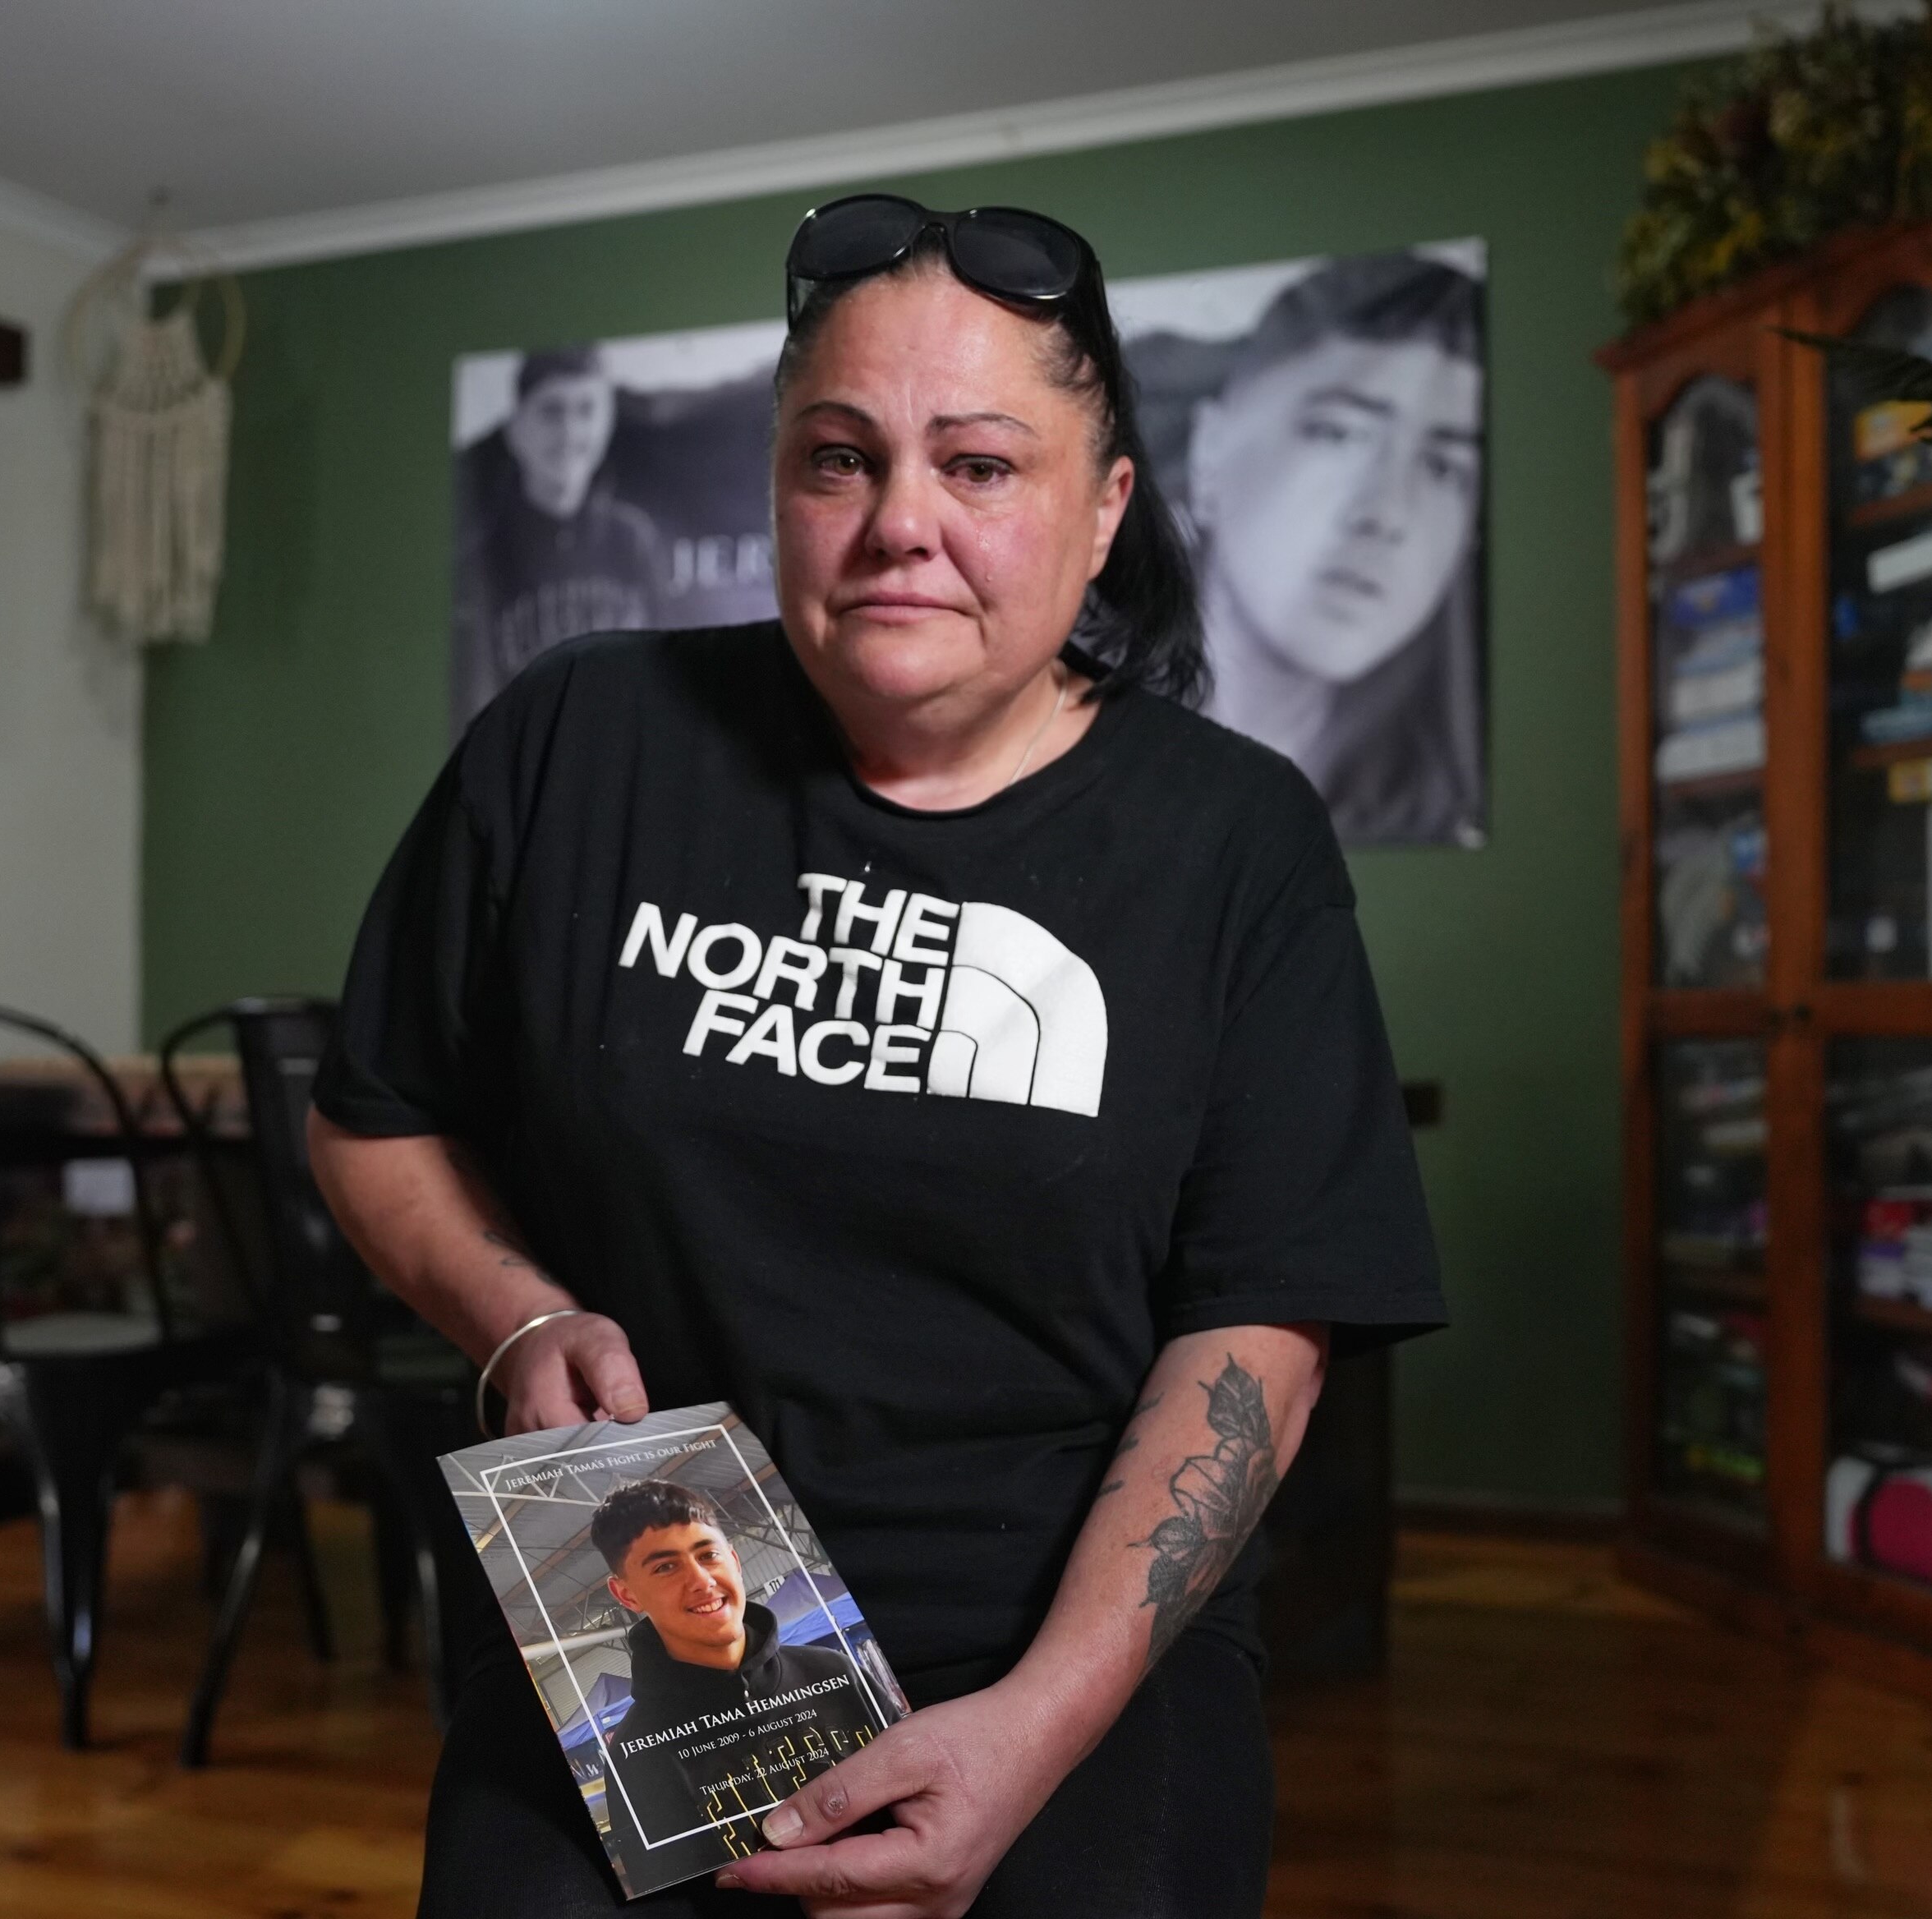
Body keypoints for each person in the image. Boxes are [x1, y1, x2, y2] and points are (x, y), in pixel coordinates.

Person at [313, 192, 1445, 1919]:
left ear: (1105, 505)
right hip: (642, 1602)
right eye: (837, 458)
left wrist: (1033, 1732)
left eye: (980, 465)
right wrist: (515, 1314)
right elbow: (375, 1119)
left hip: (1067, 1630)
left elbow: (1259, 1338)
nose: (898, 523)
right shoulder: (580, 739)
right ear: (775, 482)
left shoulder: (1234, 839)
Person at [1184, 252, 1484, 845]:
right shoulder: (1049, 760)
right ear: (1209, 454)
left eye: (1445, 469)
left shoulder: (1446, 822)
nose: (1386, 514)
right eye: (1339, 434)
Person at [585, 1481, 871, 1883]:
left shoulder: (834, 1672)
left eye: (708, 1555)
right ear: (626, 1595)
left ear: (734, 1561)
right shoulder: (637, 1753)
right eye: (666, 1567)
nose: (702, 1581)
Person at [450, 346, 668, 729]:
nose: (570, 432)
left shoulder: (634, 540)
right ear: (516, 428)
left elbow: (667, 682)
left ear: (608, 420)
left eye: (586, 410)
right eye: (552, 411)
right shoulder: (483, 556)